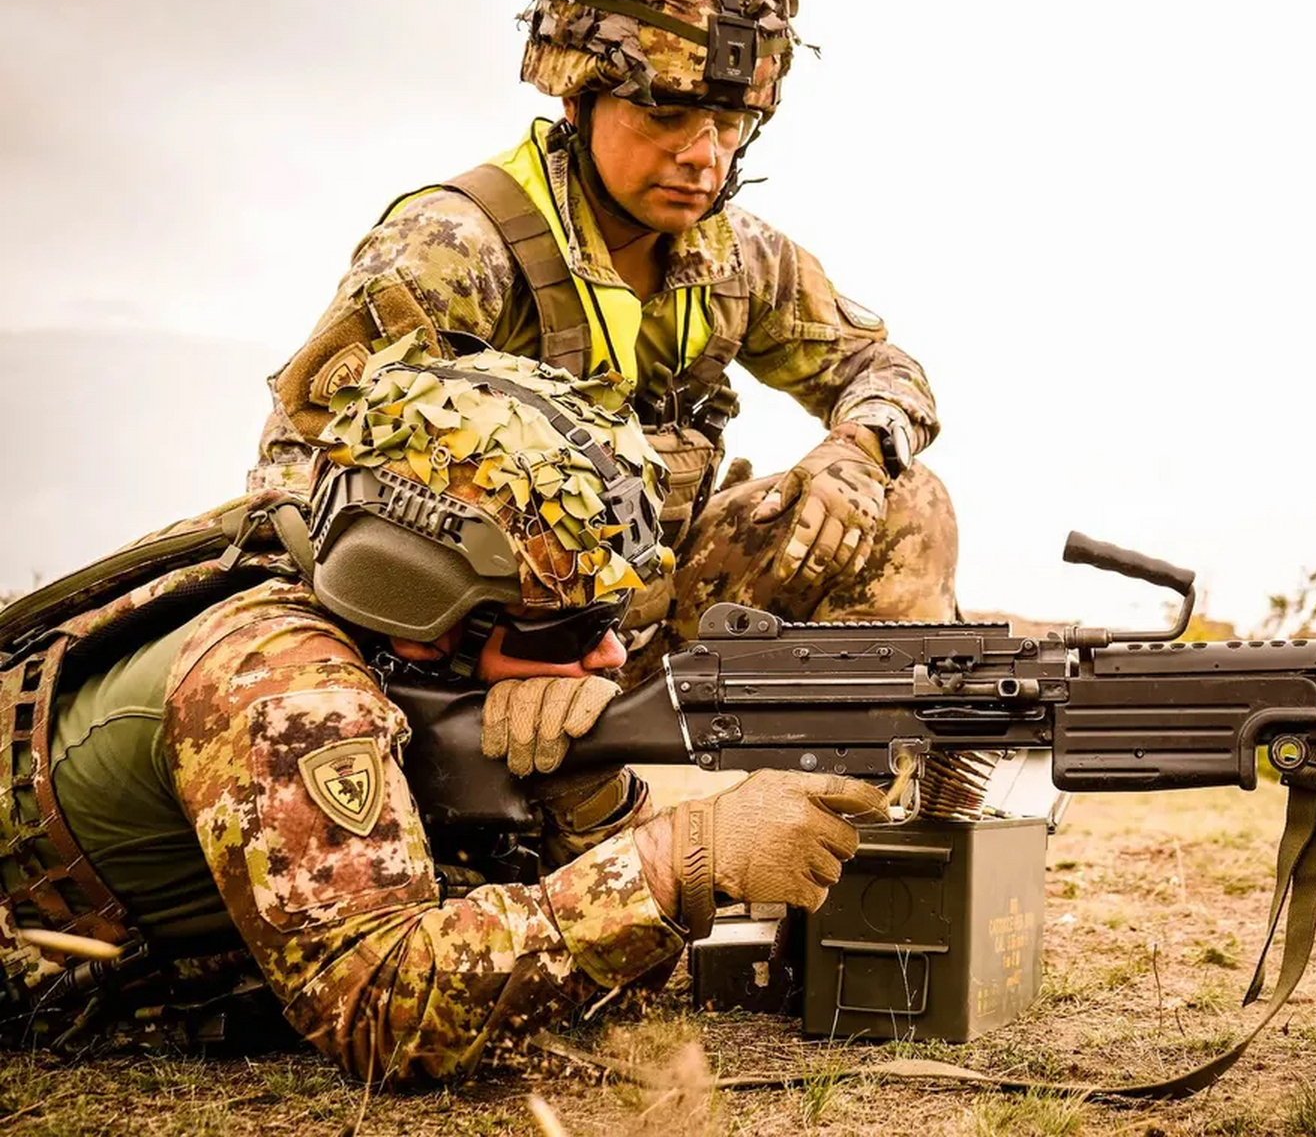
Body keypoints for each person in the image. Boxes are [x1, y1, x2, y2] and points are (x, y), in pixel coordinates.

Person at [0, 344, 886, 1081]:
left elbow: (577, 982)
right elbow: (386, 1011)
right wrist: (679, 860)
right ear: (423, 619)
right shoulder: (284, 687)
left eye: (611, 623)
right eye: (568, 629)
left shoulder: (380, 652)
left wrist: (589, 805)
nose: (611, 657)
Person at [257, 0, 957, 649]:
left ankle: (854, 762)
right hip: (482, 633)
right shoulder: (458, 243)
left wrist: (858, 448)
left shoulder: (738, 254)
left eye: (729, 123)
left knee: (906, 500)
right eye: (667, 114)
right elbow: (295, 471)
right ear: (576, 99)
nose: (704, 155)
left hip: (656, 605)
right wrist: (455, 642)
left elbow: (880, 367)